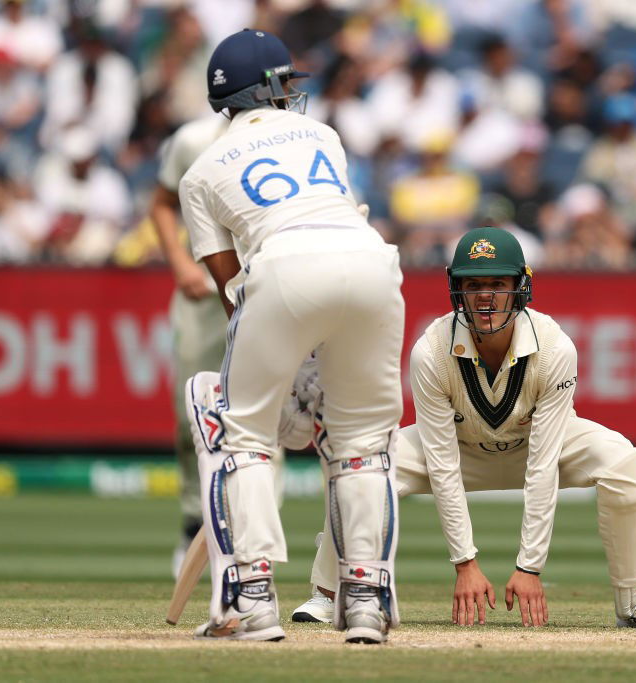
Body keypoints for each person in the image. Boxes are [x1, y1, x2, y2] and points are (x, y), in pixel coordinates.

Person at [293, 227, 636, 630]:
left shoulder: (555, 348)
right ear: (456, 289)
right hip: (459, 450)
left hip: (538, 446)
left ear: (520, 287)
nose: (485, 295)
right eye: (473, 284)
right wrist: (465, 563)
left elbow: (543, 466)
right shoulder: (431, 351)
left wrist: (530, 567)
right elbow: (441, 464)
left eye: (498, 283)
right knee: (367, 466)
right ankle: (330, 591)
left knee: (624, 464)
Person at [178, 29, 404, 644]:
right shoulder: (323, 134)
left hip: (279, 270)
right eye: (284, 83)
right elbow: (335, 225)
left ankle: (252, 601)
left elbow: (232, 292)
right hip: (373, 265)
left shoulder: (198, 175)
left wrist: (288, 363)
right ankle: (363, 602)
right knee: (362, 445)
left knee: (239, 432)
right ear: (270, 88)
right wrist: (313, 357)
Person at [149, 113, 287, 579]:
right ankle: (193, 525)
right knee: (192, 414)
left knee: (268, 417)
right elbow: (162, 204)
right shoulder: (192, 139)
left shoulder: (293, 137)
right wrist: (181, 265)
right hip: (204, 299)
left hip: (266, 291)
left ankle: (256, 540)